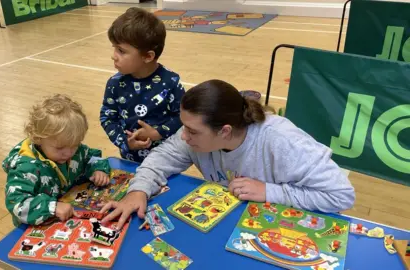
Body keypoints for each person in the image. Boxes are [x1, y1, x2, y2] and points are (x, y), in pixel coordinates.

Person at [101, 79, 356, 229]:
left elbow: (341, 195)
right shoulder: (195, 136)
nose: (183, 137)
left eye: (191, 131)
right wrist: (138, 190)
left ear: (224, 131)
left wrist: (269, 191)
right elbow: (160, 158)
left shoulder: (282, 141)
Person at [3, 94, 111, 227]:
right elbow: (16, 203)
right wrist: (52, 207)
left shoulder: (72, 149)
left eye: (75, 144)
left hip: (68, 214)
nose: (69, 153)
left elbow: (92, 156)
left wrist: (98, 168)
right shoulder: (25, 167)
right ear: (38, 139)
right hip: (36, 224)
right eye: (60, 148)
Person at [100, 7, 185, 163]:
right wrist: (125, 142)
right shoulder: (115, 84)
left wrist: (157, 133)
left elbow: (183, 116)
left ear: (148, 56)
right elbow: (107, 118)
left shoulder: (170, 83)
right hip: (130, 159)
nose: (113, 56)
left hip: (167, 160)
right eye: (114, 48)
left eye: (121, 50)